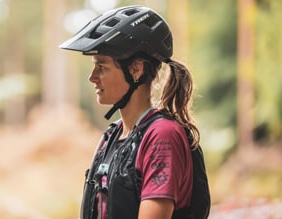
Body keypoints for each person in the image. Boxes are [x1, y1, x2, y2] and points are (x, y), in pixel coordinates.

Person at [60, 5, 202, 219]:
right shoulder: (113, 135)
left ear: (136, 69)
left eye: (102, 67)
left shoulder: (162, 136)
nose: (92, 77)